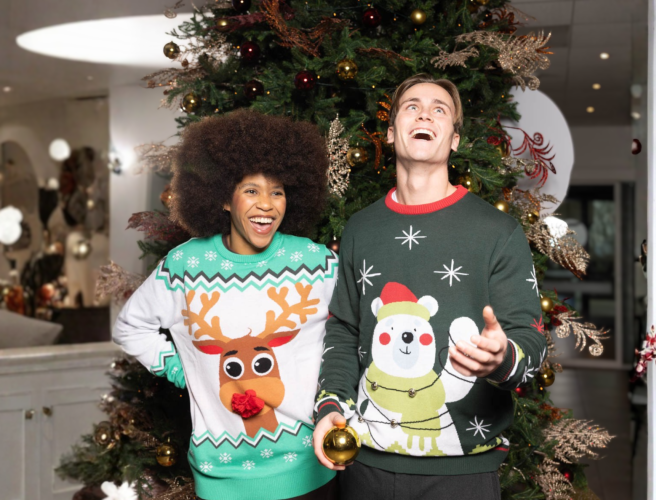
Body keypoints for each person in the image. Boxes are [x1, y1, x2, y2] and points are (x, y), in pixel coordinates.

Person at [312, 74, 547, 500]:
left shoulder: (498, 231)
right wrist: (330, 405)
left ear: (454, 140)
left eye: (439, 110)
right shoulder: (361, 228)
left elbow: (531, 340)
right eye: (412, 107)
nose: (424, 114)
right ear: (390, 133)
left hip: (462, 474)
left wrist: (502, 357)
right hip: (365, 467)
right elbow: (344, 329)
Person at [113, 109, 339, 500]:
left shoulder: (317, 262)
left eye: (277, 192)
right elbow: (130, 326)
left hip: (309, 471)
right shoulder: (185, 266)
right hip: (221, 478)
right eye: (251, 191)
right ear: (223, 199)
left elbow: (353, 330)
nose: (267, 204)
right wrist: (182, 370)